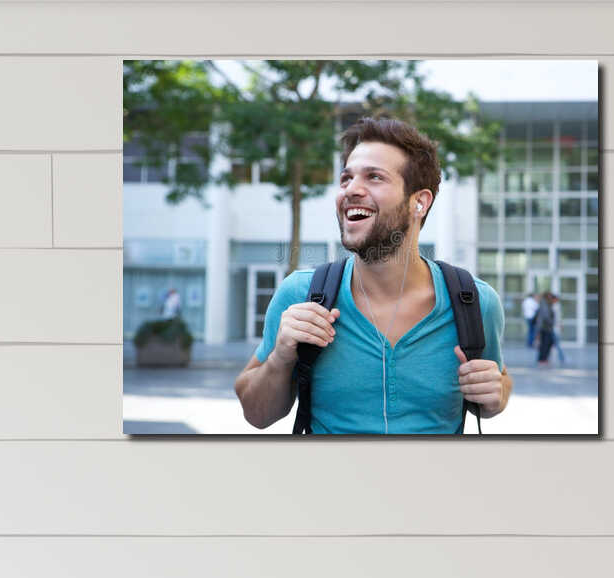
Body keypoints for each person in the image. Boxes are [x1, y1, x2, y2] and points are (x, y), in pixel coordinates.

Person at [233, 116, 510, 433]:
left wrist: (497, 395)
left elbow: (499, 380)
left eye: (374, 177)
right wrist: (281, 358)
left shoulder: (474, 301)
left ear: (419, 202)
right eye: (346, 179)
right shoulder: (302, 295)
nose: (351, 190)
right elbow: (255, 414)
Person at [534, 291, 559, 367]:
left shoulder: (547, 304)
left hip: (546, 327)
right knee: (545, 344)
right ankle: (542, 359)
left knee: (548, 343)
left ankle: (543, 359)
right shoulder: (544, 304)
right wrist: (552, 322)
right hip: (544, 328)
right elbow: (545, 317)